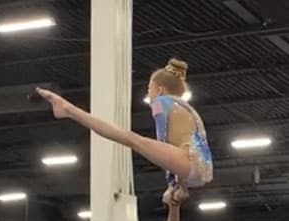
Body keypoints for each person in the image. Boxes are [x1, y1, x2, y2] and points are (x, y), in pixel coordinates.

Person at [37, 58, 212, 203]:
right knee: (134, 140)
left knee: (132, 139)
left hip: (190, 162)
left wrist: (171, 182)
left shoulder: (162, 102)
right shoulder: (184, 107)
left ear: (160, 90)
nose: (149, 95)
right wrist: (180, 185)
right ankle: (68, 110)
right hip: (199, 166)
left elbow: (164, 139)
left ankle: (69, 109)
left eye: (149, 89)